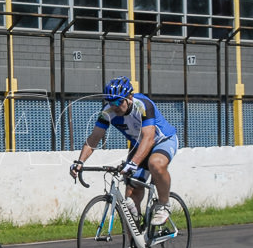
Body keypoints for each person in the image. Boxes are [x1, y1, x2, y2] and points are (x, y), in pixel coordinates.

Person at [70, 76, 178, 226]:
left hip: (162, 140)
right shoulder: (107, 112)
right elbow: (95, 137)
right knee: (130, 197)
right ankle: (135, 242)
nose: (114, 106)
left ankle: (164, 204)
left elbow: (149, 138)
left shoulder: (143, 105)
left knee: (156, 164)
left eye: (118, 102)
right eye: (110, 102)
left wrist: (133, 163)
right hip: (138, 144)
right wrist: (80, 161)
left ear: (130, 97)